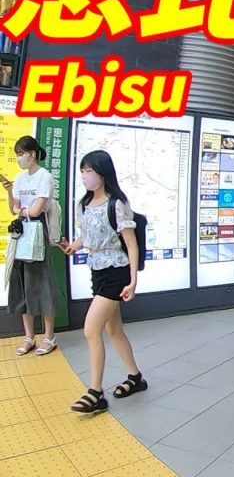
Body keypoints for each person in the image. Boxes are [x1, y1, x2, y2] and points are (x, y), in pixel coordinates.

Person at [59, 150, 146, 413]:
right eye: (83, 171)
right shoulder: (83, 204)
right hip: (97, 271)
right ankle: (135, 378)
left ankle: (95, 392)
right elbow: (87, 236)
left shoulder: (117, 203)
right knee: (113, 330)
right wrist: (73, 246)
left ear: (103, 173)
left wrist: (133, 281)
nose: (85, 176)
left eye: (90, 171)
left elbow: (131, 245)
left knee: (90, 329)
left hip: (116, 273)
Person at [4, 136, 59, 357]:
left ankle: (49, 336)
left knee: (42, 283)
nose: (19, 158)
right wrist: (9, 191)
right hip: (21, 233)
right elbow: (13, 208)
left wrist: (21, 210)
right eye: (17, 154)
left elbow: (36, 211)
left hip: (38, 233)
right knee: (21, 284)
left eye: (21, 154)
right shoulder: (19, 178)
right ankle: (29, 336)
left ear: (32, 154)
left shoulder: (44, 177)